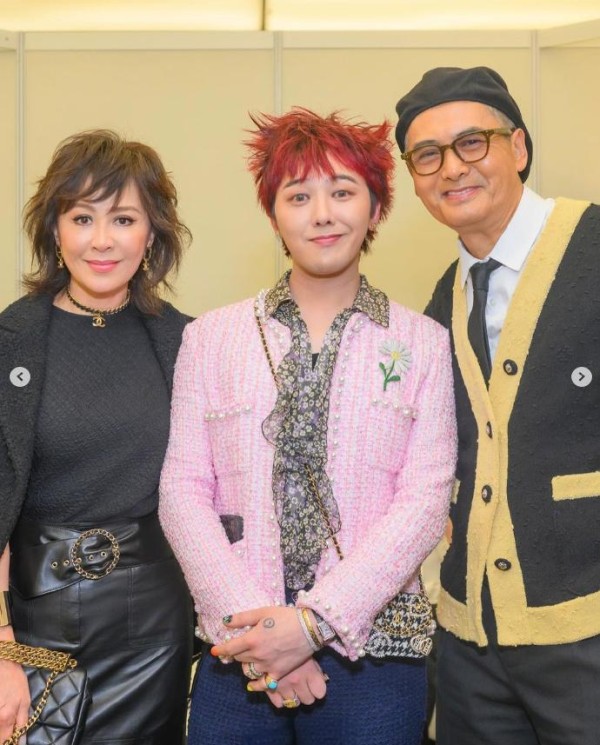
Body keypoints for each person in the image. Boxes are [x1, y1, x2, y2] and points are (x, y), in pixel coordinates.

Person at [159, 107, 457, 745]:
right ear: (274, 216)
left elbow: (426, 500)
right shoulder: (211, 338)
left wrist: (312, 625)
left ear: (375, 210)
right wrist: (261, 637)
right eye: (298, 196)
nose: (322, 214)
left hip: (378, 654)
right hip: (237, 651)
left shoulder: (423, 343)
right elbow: (182, 492)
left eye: (342, 192)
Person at [394, 65, 600, 745]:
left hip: (587, 624)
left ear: (518, 146)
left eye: (472, 143)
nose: (452, 167)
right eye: (427, 155)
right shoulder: (442, 298)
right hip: (471, 639)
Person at [0, 129, 194, 744]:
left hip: (153, 631)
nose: (102, 240)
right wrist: (1, 651)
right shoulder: (9, 343)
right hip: (30, 624)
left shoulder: (188, 342)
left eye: (124, 219)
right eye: (82, 217)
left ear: (152, 233)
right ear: (55, 229)